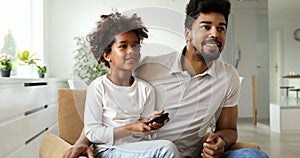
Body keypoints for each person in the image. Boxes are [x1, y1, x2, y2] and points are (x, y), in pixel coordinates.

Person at [63, 0, 269, 158]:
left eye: (221, 28)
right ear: (187, 33)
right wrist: (83, 140)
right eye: (206, 27)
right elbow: (110, 98)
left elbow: (230, 130)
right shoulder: (147, 67)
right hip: (150, 152)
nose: (215, 33)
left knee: (254, 155)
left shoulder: (228, 76)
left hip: (192, 155)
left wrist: (220, 141)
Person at [82, 12, 179, 158]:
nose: (131, 51)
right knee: (167, 149)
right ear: (106, 55)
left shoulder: (146, 90)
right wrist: (129, 128)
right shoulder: (98, 87)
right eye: (123, 46)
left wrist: (151, 125)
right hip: (108, 150)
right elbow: (92, 133)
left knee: (166, 147)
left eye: (135, 46)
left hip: (137, 149)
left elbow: (148, 138)